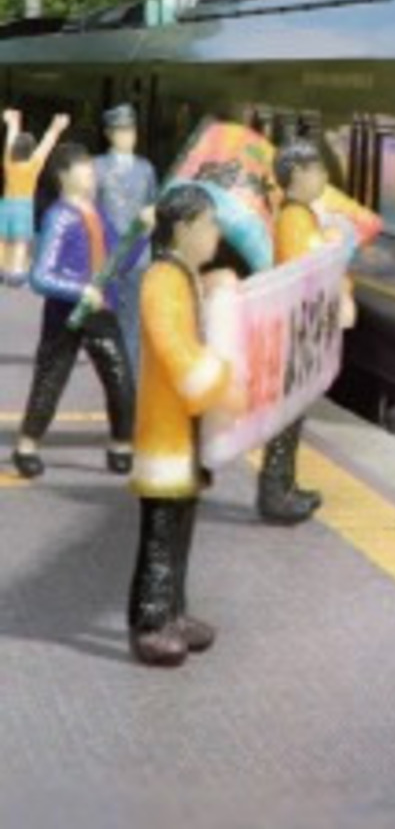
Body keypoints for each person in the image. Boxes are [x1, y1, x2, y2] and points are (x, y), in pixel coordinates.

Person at [127, 183, 244, 667]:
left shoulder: (182, 276)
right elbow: (177, 353)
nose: (217, 233)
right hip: (167, 434)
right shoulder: (162, 282)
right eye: (209, 224)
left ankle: (173, 611)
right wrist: (220, 382)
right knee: (161, 536)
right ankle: (151, 622)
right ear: (182, 229)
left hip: (184, 435)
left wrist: (214, 288)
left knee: (180, 529)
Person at [12, 142, 136, 480]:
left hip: (101, 311)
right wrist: (80, 290)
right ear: (63, 176)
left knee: (120, 379)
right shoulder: (59, 217)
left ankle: (121, 443)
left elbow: (119, 259)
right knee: (50, 380)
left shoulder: (98, 213)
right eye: (85, 170)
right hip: (65, 314)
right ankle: (26, 445)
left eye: (92, 170)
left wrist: (142, 231)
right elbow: (41, 277)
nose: (92, 176)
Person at [255, 139, 335, 525]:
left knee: (292, 415)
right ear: (298, 174)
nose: (324, 177)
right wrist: (329, 249)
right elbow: (306, 271)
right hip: (295, 329)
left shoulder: (300, 215)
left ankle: (285, 485)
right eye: (317, 169)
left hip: (299, 326)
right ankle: (274, 494)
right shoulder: (294, 219)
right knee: (287, 418)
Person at [93, 103, 158, 378]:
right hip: (108, 254)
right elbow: (91, 210)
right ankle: (112, 372)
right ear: (109, 133)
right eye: (121, 130)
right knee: (103, 320)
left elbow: (153, 203)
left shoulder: (146, 169)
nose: (127, 135)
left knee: (132, 320)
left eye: (131, 130)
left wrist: (151, 222)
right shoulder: (97, 167)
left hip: (139, 255)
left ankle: (129, 377)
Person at [0, 108, 70, 284]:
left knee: (2, 239)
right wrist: (56, 126)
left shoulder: (8, 162)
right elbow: (47, 144)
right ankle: (16, 272)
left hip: (6, 204)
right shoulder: (33, 165)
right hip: (24, 207)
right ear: (32, 150)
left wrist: (13, 122)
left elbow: (10, 141)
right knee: (20, 241)